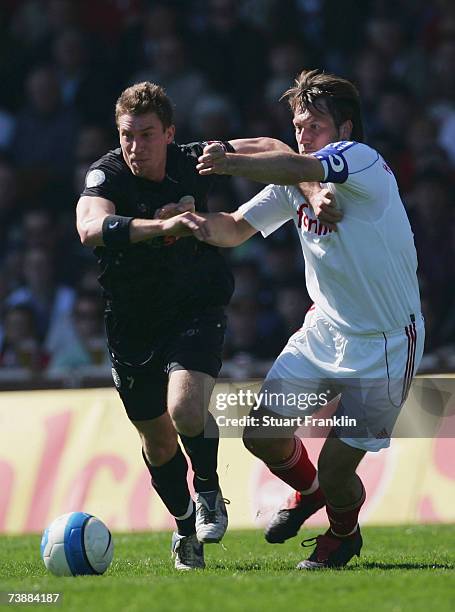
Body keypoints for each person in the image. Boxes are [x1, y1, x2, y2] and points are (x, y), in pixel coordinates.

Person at [165, 69, 425, 569]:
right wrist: (192, 225)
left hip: (387, 342)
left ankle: (343, 535)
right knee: (262, 434)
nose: (304, 133)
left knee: (337, 468)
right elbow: (237, 228)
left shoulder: (363, 160)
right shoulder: (295, 183)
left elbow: (292, 162)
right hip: (324, 330)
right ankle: (309, 493)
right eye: (299, 125)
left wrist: (229, 161)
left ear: (345, 130)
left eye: (315, 125)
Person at [76, 81, 316, 570]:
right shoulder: (107, 175)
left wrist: (284, 178)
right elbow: (88, 228)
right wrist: (162, 228)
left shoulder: (192, 159)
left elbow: (273, 147)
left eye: (146, 135)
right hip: (131, 323)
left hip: (195, 307)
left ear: (169, 133)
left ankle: (208, 490)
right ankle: (186, 528)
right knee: (157, 439)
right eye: (127, 135)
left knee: (185, 408)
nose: (135, 146)